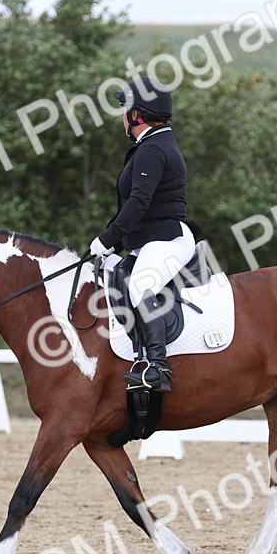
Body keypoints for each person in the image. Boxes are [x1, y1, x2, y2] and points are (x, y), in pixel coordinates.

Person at [89, 77, 197, 393]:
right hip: (152, 237)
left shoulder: (153, 149)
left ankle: (158, 368)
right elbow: (137, 208)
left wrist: (108, 238)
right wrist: (115, 244)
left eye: (125, 109)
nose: (122, 116)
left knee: (140, 285)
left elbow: (139, 203)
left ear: (136, 115)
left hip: (168, 240)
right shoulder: (152, 145)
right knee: (116, 273)